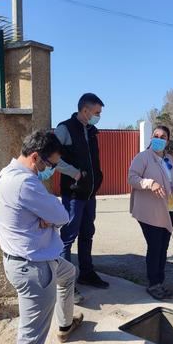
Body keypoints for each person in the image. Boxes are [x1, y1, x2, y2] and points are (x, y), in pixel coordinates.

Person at [0, 130, 84, 344]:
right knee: (30, 339)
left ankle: (65, 323)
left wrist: (44, 219)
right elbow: (62, 215)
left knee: (69, 274)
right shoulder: (26, 184)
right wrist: (48, 217)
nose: (50, 171)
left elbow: (49, 217)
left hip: (30, 259)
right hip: (35, 268)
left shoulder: (5, 174)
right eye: (49, 165)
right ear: (35, 157)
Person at [55, 93, 109, 296]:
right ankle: (66, 283)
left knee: (87, 234)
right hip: (73, 195)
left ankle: (86, 273)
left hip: (89, 194)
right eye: (96, 112)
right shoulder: (64, 129)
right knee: (68, 237)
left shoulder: (92, 131)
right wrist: (74, 173)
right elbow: (51, 157)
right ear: (85, 110)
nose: (99, 116)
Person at [128, 125, 173, 300]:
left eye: (163, 137)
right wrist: (149, 183)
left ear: (168, 141)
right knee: (155, 247)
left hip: (168, 209)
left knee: (163, 247)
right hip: (149, 211)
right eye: (156, 135)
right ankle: (153, 284)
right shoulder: (143, 157)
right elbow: (132, 178)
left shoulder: (170, 160)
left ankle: (159, 282)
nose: (158, 139)